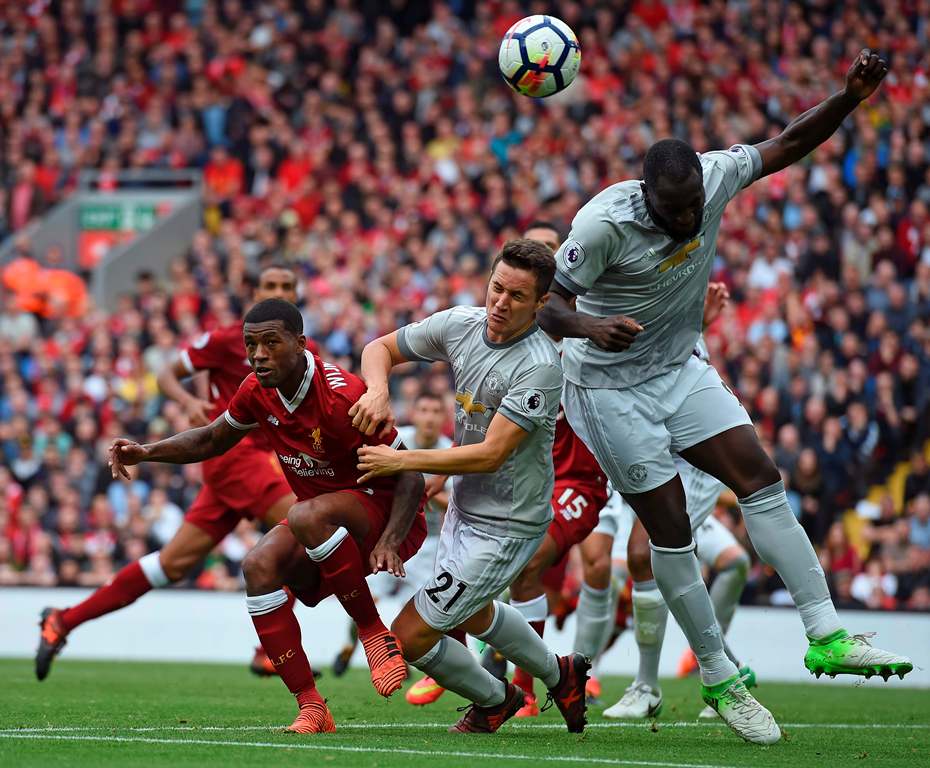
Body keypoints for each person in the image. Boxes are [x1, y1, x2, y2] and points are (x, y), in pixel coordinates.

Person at [537, 49, 911, 745]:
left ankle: (826, 633)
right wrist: (592, 325)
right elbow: (548, 309)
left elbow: (789, 141)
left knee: (760, 476)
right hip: (607, 389)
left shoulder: (714, 175)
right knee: (670, 527)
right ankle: (719, 677)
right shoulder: (601, 224)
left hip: (679, 366)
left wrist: (850, 97)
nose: (687, 218)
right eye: (673, 209)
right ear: (644, 192)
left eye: (693, 209)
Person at [107, 298, 427, 733]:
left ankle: (373, 633)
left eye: (270, 343)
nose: (258, 355)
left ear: (300, 344)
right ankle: (312, 707)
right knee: (257, 566)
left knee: (305, 515)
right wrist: (148, 452)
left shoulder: (342, 397)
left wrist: (390, 541)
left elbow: (410, 475)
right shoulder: (257, 391)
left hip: (382, 511)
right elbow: (211, 440)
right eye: (251, 344)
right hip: (322, 520)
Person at [351, 239, 589, 734]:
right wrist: (378, 389)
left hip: (510, 524)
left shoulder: (541, 366)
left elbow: (491, 453)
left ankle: (495, 698)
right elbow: (379, 348)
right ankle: (560, 674)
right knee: (477, 613)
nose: (500, 303)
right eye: (496, 287)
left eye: (517, 297)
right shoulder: (461, 325)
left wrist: (402, 461)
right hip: (465, 509)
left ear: (542, 304)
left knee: (409, 637)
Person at [36, 266, 300, 681]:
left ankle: (63, 620)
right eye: (271, 287)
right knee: (310, 522)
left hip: (263, 462)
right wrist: (186, 402)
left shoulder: (300, 348)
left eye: (286, 287)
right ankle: (272, 650)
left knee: (171, 565)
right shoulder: (225, 339)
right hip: (234, 456)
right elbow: (165, 375)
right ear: (255, 293)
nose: (280, 292)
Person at [330, 391, 454, 683]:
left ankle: (400, 653)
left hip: (431, 544)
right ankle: (351, 644)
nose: (430, 417)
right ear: (414, 412)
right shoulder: (398, 442)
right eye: (424, 409)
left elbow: (457, 507)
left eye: (436, 412)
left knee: (420, 611)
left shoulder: (450, 452)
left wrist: (426, 490)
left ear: (443, 418)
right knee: (366, 598)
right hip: (391, 537)